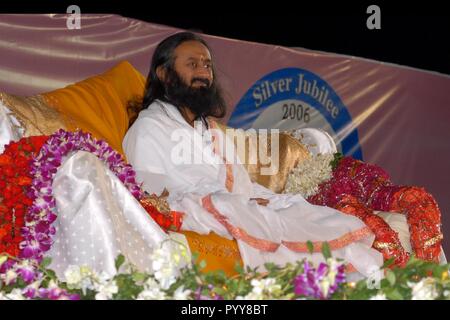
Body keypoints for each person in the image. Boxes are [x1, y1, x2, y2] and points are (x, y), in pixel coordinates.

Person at [123, 32, 383, 277]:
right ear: (165, 74)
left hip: (236, 205)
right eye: (192, 64)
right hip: (200, 209)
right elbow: (153, 199)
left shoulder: (209, 130)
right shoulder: (148, 129)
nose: (204, 71)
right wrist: (233, 201)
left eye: (207, 65)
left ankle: (350, 277)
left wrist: (260, 199)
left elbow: (241, 184)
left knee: (308, 211)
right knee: (243, 210)